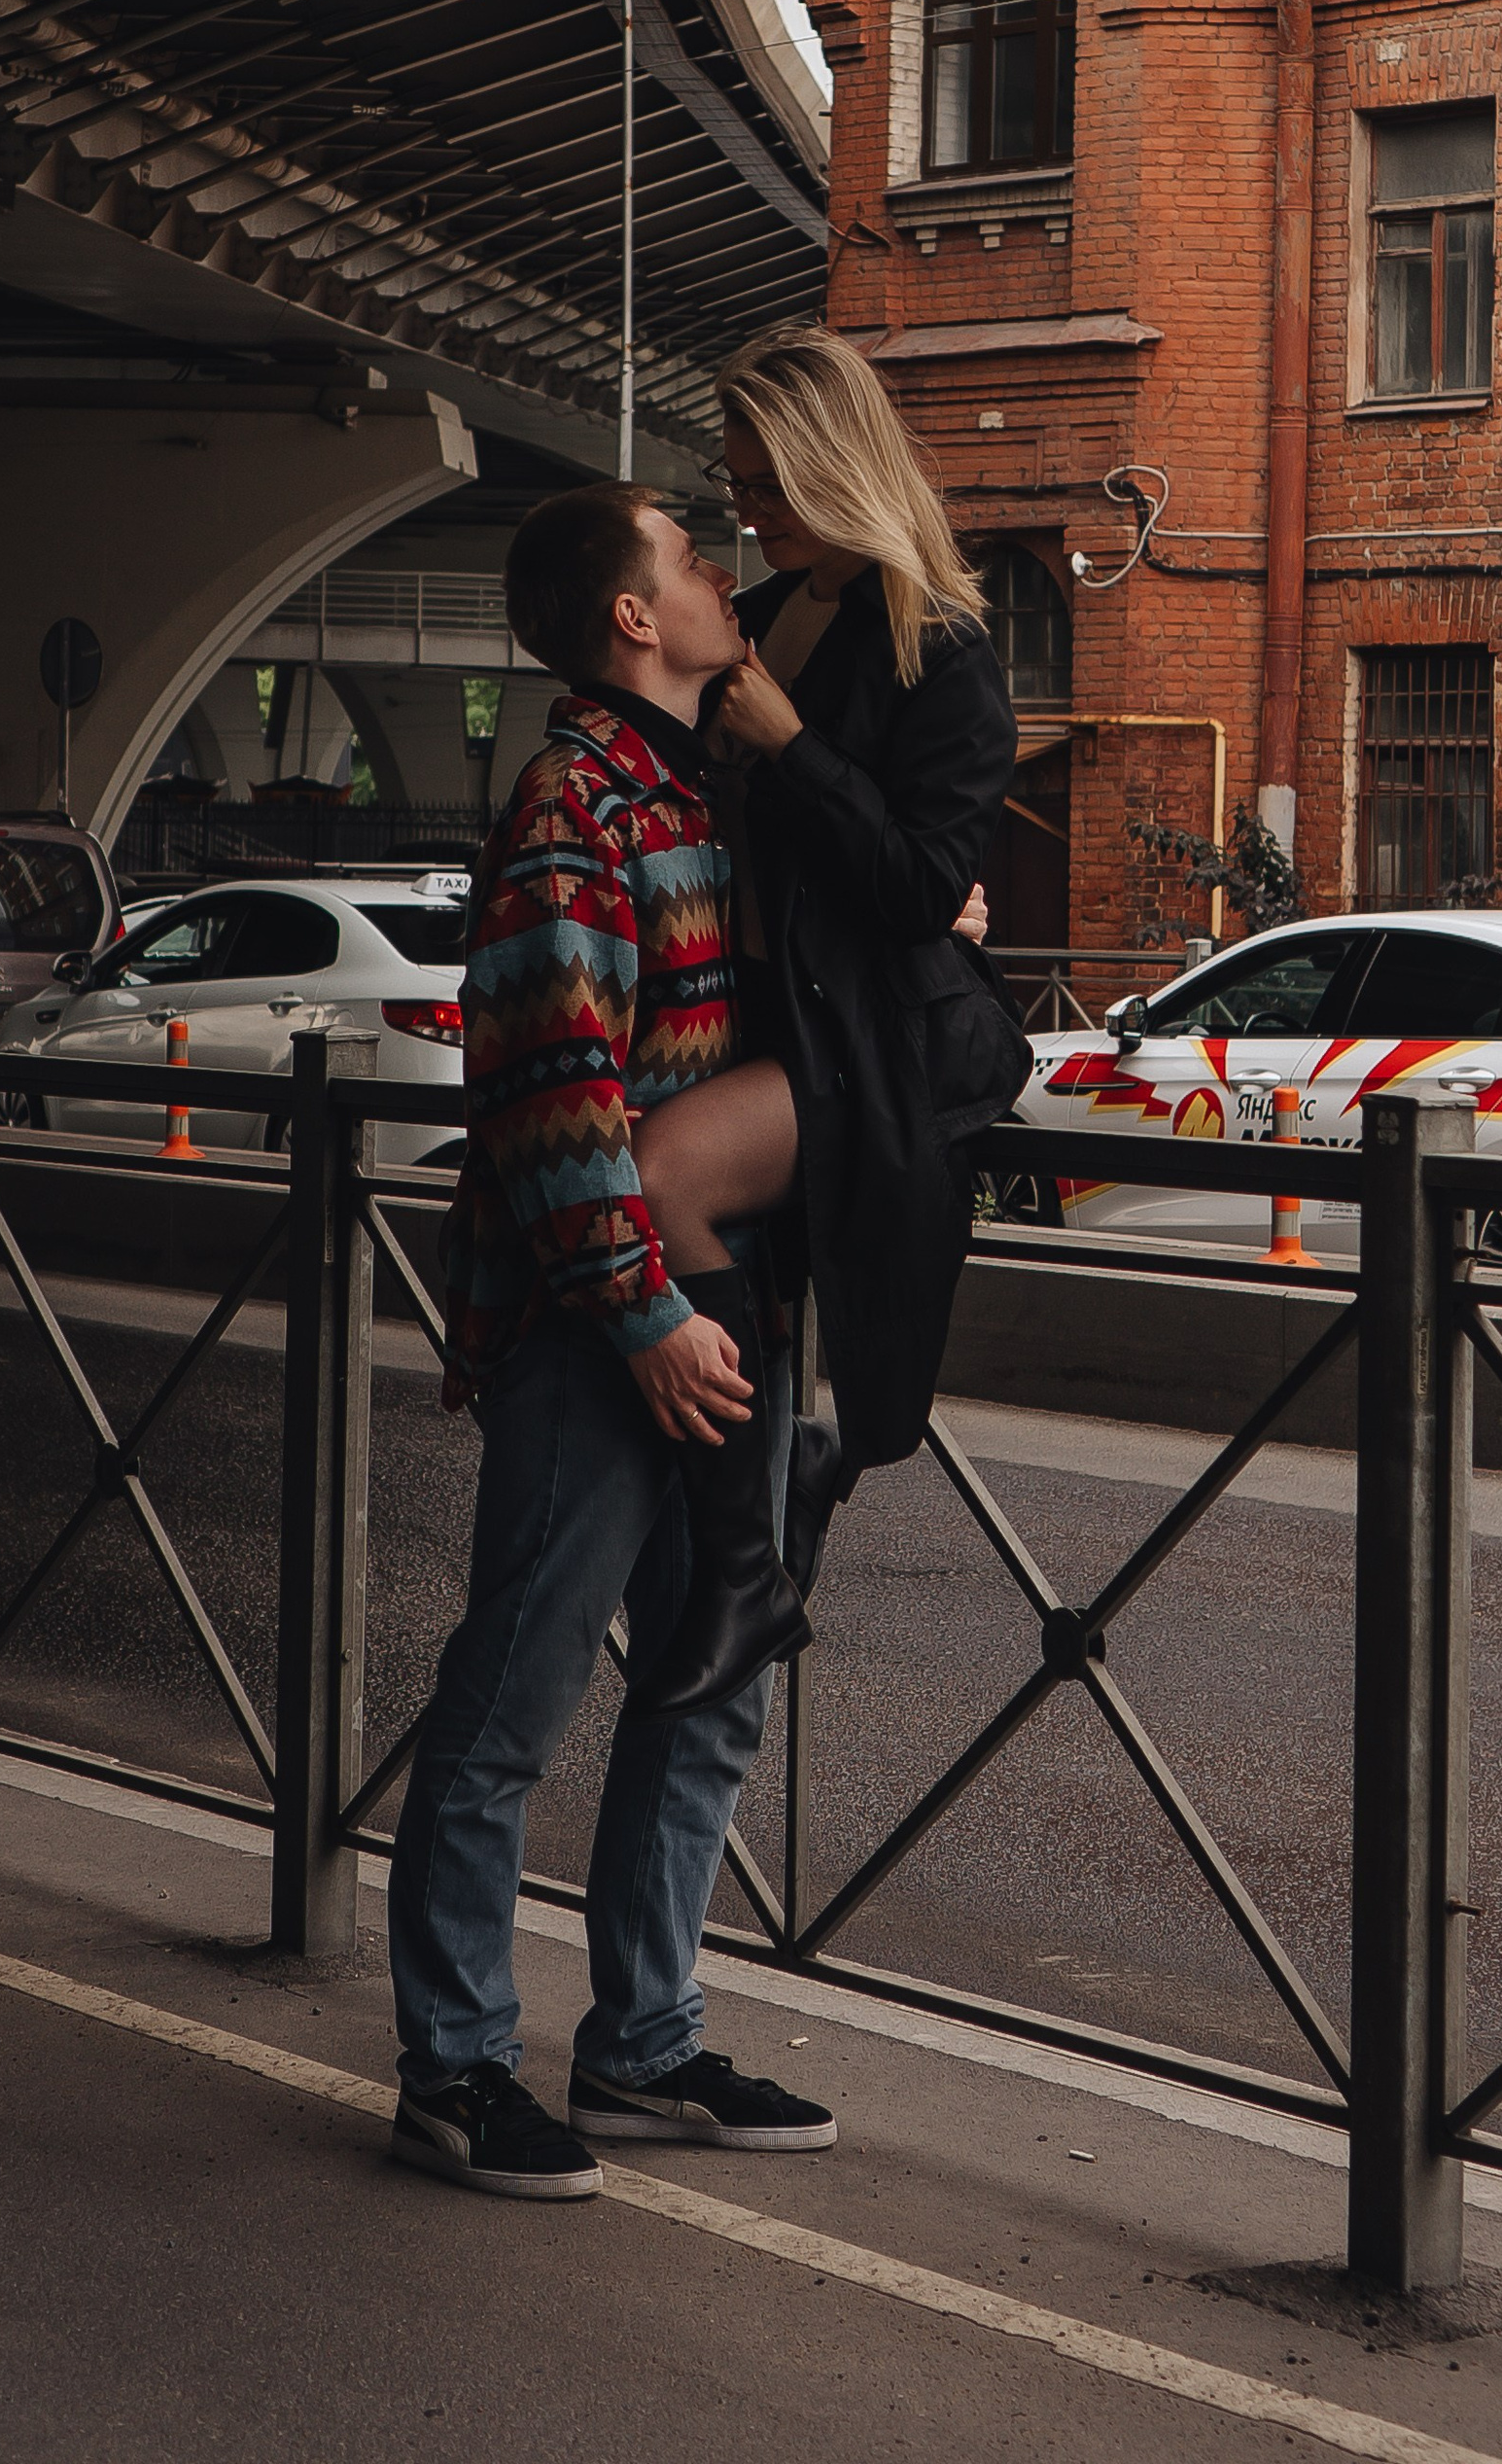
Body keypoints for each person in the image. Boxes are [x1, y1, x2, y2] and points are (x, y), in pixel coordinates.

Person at [386, 479, 836, 2201]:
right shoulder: (575, 805)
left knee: (706, 1684)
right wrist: (645, 1317)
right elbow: (549, 1097)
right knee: (513, 1696)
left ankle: (644, 2044)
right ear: (634, 619)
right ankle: (455, 2066)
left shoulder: (694, 789)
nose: (726, 581)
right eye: (694, 563)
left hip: (717, 1305)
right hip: (610, 1327)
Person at [625, 324, 1029, 1710]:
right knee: (664, 1185)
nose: (745, 508)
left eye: (768, 485)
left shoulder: (945, 645)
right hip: (767, 1017)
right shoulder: (767, 603)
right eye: (736, 483)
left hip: (881, 1040)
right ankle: (770, 1501)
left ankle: (746, 1567)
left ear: (833, 469)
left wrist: (792, 748)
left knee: (660, 1173)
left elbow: (926, 888)